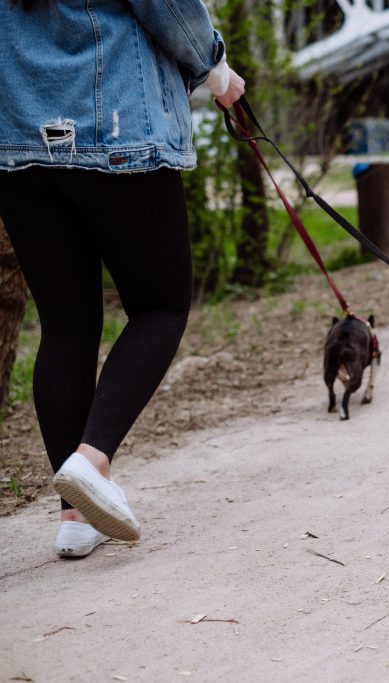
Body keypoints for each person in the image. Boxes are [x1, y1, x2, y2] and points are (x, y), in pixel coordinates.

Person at [0, 0, 245, 557]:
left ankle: (75, 519)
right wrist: (215, 68)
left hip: (17, 138)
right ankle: (91, 463)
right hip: (115, 126)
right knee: (161, 307)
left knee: (65, 326)